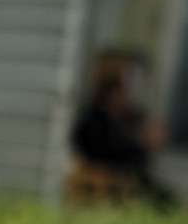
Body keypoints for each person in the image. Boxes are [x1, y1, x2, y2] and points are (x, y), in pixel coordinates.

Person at [71, 69, 174, 205]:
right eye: (121, 93)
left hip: (128, 175)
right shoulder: (95, 121)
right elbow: (111, 150)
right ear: (111, 95)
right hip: (112, 176)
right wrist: (143, 143)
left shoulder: (116, 118)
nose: (125, 98)